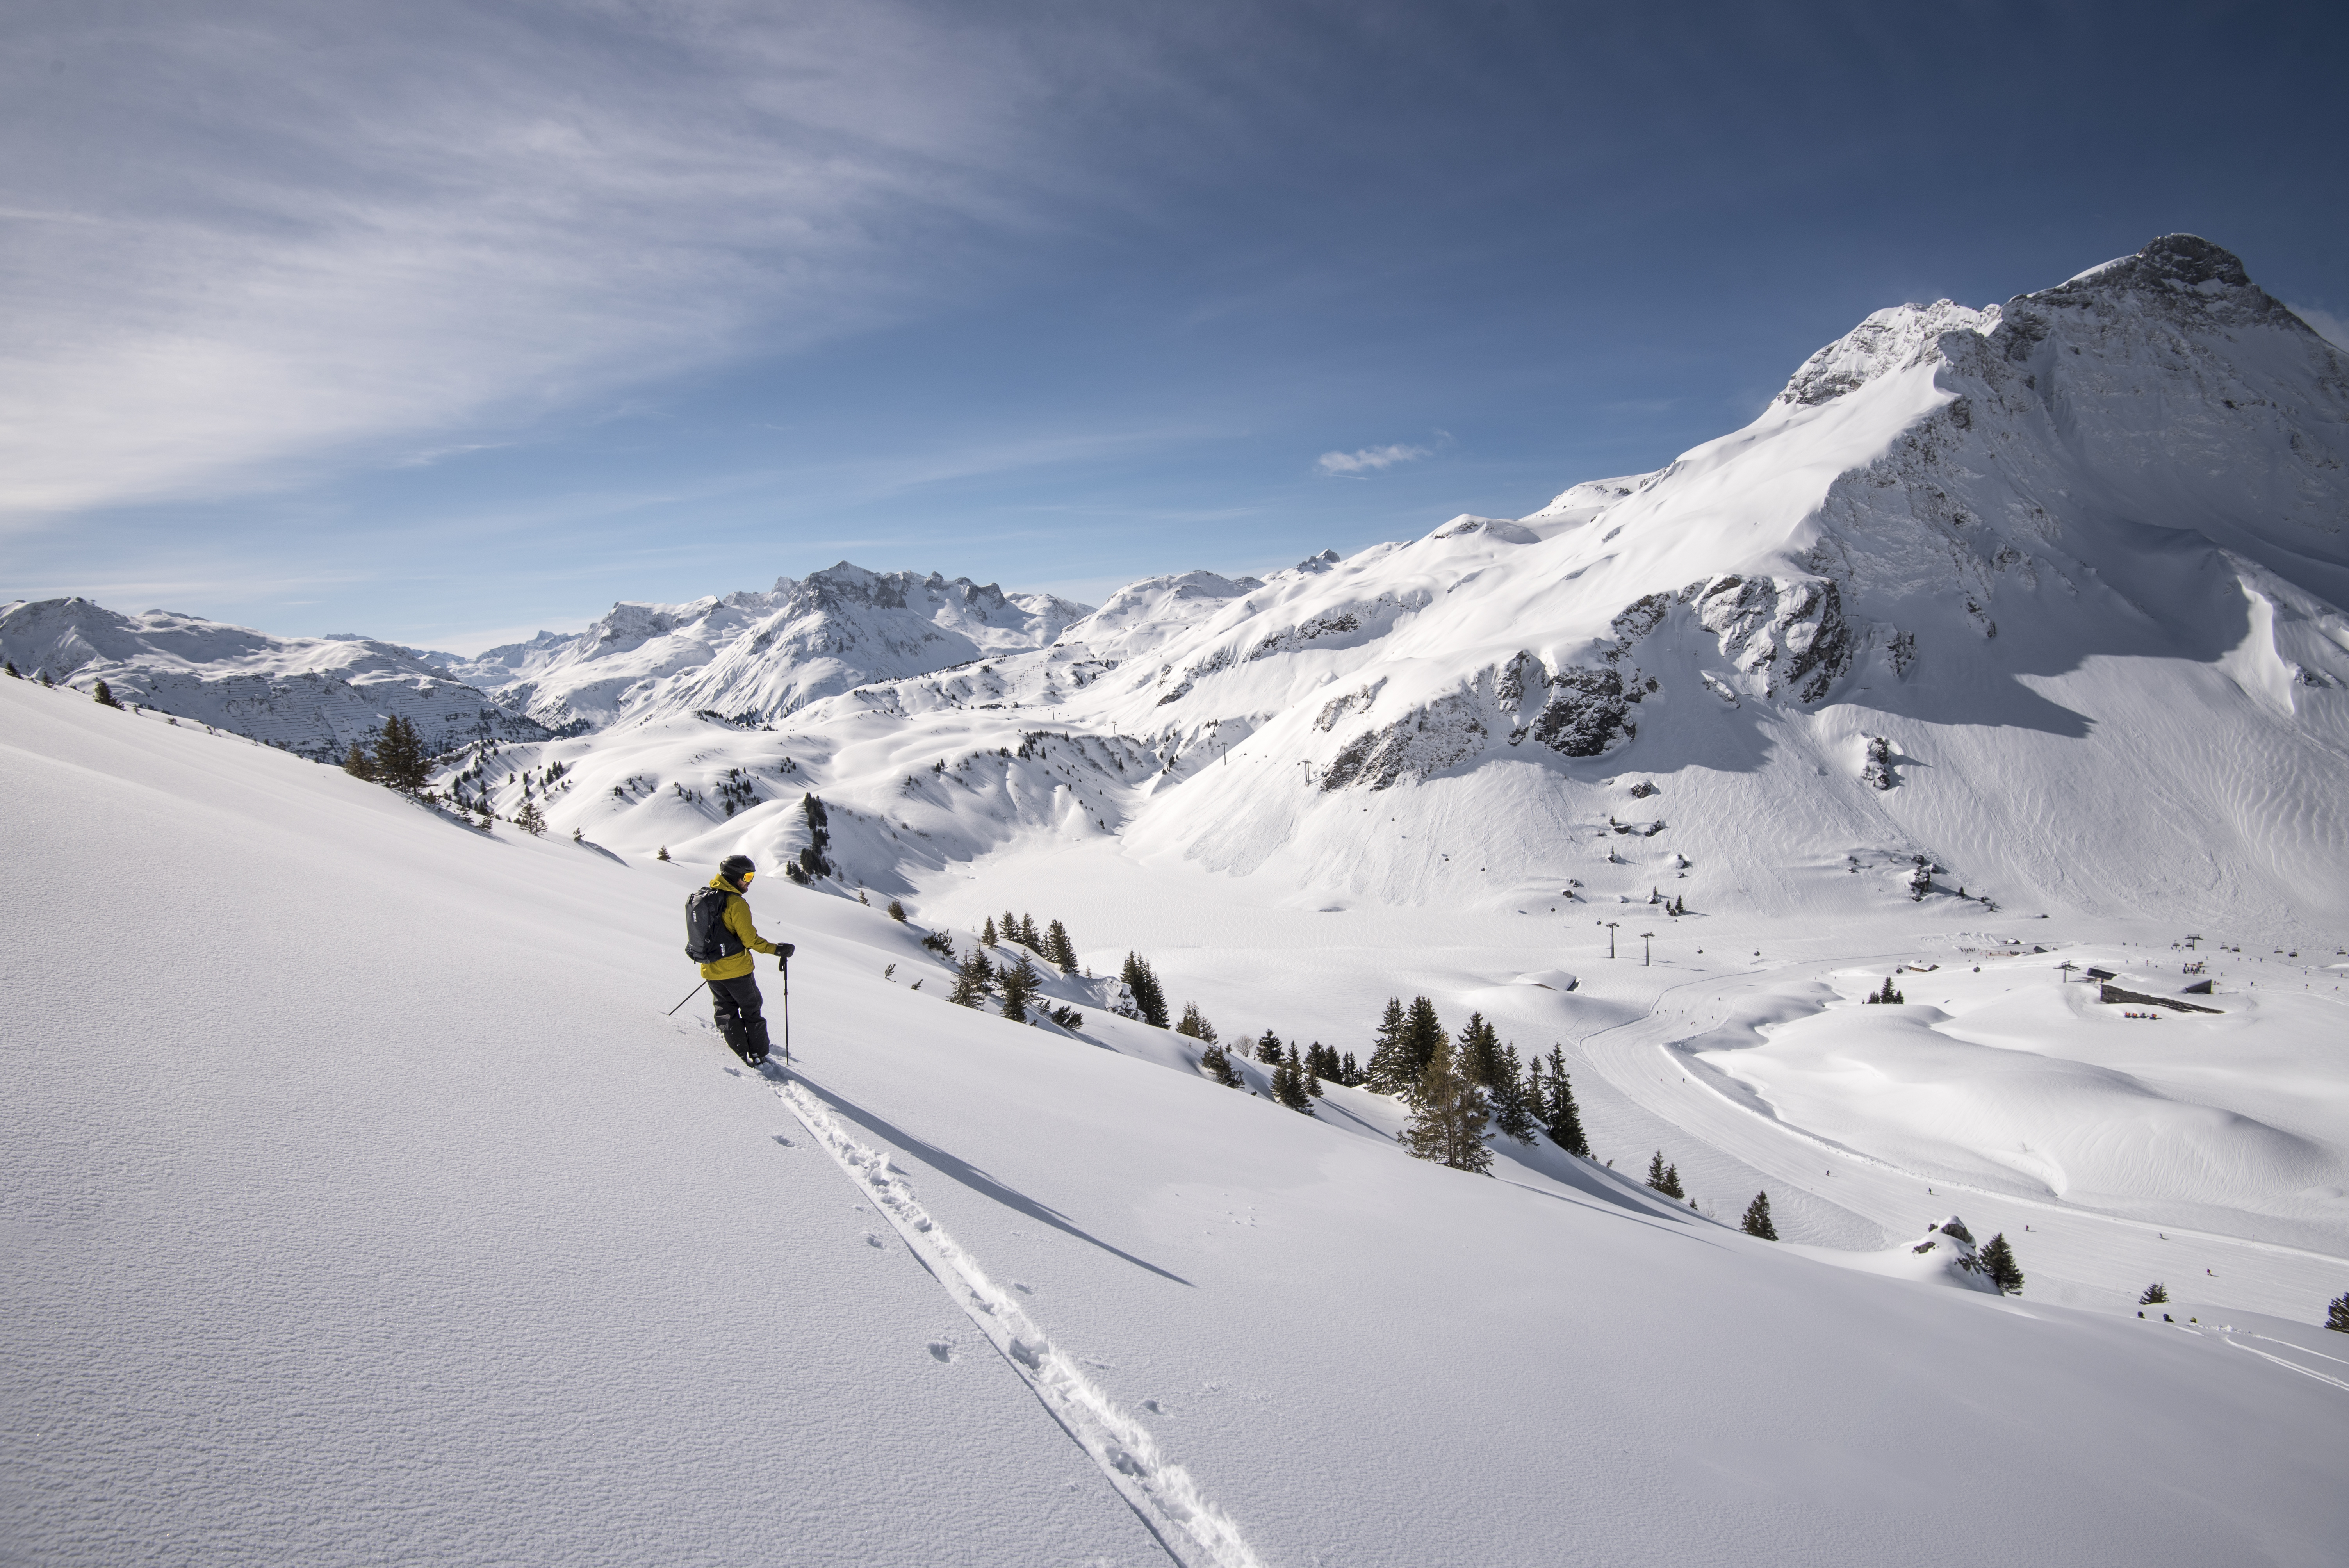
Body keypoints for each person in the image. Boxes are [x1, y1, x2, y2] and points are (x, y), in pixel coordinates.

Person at [686, 854, 793, 1066]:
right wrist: (777, 950)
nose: (750, 881)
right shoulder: (736, 903)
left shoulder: (705, 897)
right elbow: (750, 940)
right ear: (735, 876)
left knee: (726, 1010)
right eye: (747, 876)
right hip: (737, 970)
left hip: (711, 969)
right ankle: (758, 1055)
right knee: (752, 1009)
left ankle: (739, 1054)